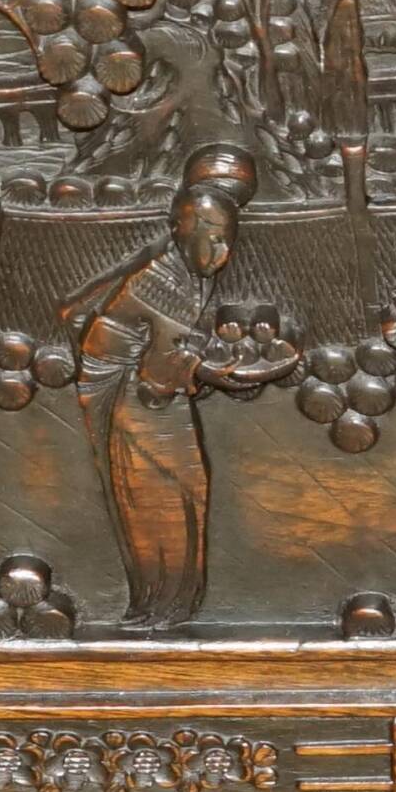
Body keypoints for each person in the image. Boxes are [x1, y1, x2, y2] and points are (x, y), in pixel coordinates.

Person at [68, 146, 294, 625]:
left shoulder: (190, 273)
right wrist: (226, 373)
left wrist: (211, 363)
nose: (221, 253)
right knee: (160, 498)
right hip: (137, 399)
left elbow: (177, 354)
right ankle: (159, 603)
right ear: (180, 230)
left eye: (227, 239)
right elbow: (156, 377)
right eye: (210, 239)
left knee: (189, 489)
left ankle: (177, 600)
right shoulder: (163, 284)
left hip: (157, 393)